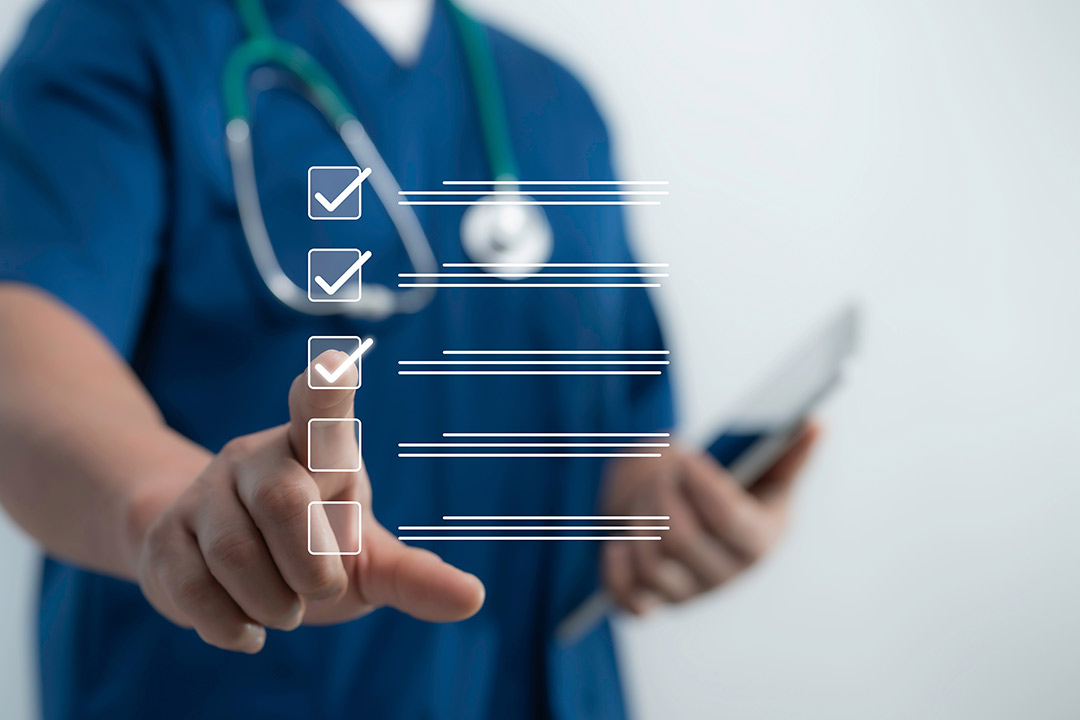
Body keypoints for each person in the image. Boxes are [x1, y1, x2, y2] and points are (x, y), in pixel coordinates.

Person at [0, 0, 818, 717]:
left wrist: (679, 516)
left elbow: (616, 442)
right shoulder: (122, 34)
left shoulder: (556, 102)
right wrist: (177, 513)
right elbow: (27, 367)